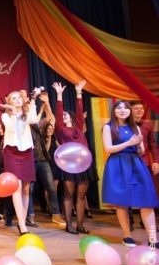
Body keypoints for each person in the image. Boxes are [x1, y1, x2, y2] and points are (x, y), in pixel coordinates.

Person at [102, 100, 158, 247]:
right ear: (114, 111)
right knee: (122, 202)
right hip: (117, 164)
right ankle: (127, 236)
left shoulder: (135, 127)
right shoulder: (108, 127)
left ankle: (153, 239)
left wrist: (138, 144)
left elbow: (141, 151)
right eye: (119, 108)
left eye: (125, 108)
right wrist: (128, 143)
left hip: (136, 164)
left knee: (147, 201)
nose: (122, 111)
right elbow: (108, 149)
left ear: (129, 112)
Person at [52, 80, 96, 234]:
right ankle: (69, 225)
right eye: (62, 115)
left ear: (71, 117)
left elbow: (79, 113)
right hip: (68, 164)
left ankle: (80, 225)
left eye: (66, 115)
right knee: (69, 193)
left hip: (83, 163)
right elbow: (58, 115)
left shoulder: (78, 127)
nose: (63, 116)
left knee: (81, 194)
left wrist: (78, 94)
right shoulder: (60, 129)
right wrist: (59, 95)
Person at [0, 89, 38, 236]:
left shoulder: (26, 114)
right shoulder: (5, 116)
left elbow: (33, 120)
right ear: (9, 102)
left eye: (19, 97)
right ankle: (21, 224)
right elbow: (12, 128)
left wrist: (32, 100)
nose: (17, 99)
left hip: (26, 150)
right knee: (17, 185)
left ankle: (23, 221)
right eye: (13, 98)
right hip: (12, 151)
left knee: (26, 187)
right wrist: (14, 112)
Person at [28, 92, 65, 226]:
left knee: (51, 188)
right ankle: (30, 215)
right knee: (29, 190)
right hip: (30, 161)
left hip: (43, 159)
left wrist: (47, 102)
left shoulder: (36, 125)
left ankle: (56, 214)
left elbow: (49, 117)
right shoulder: (23, 126)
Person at [129, 100, 159, 230]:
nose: (140, 110)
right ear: (130, 110)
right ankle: (129, 221)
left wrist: (156, 160)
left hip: (144, 163)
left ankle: (145, 222)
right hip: (129, 163)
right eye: (136, 108)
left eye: (141, 108)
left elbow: (153, 145)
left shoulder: (147, 126)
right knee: (129, 191)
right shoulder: (124, 126)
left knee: (145, 192)